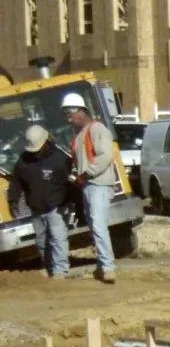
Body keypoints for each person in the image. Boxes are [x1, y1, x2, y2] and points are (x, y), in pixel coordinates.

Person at [62, 91, 118, 284]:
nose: (68, 119)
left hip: (98, 184)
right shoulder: (79, 136)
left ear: (80, 111)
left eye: (70, 115)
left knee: (99, 225)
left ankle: (108, 267)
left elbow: (104, 156)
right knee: (95, 226)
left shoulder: (97, 129)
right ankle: (102, 267)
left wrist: (85, 174)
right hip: (89, 185)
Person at [7, 125, 73, 278]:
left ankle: (60, 270)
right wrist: (13, 201)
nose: (35, 153)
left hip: (57, 207)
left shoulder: (60, 159)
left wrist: (71, 202)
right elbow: (16, 183)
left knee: (58, 238)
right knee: (42, 241)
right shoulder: (23, 161)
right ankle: (49, 267)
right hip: (36, 209)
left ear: (46, 142)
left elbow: (69, 183)